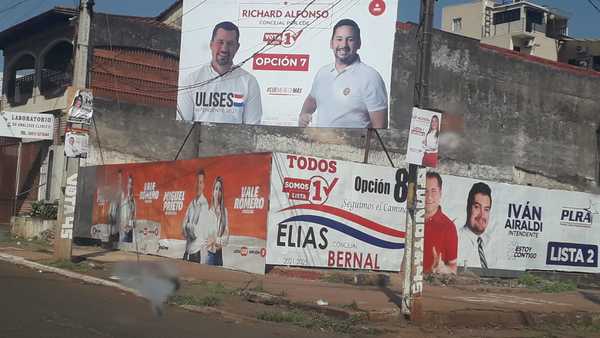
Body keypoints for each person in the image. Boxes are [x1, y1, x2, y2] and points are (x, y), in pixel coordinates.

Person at [298, 19, 388, 128]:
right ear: (331, 43)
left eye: (350, 40)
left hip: (354, 145)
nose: (343, 44)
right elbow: (311, 99)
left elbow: (380, 129)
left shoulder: (371, 77)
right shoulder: (323, 73)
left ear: (359, 43)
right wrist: (304, 115)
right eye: (339, 39)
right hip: (321, 143)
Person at [179, 21, 262, 124]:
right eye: (220, 42)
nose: (224, 49)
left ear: (237, 47)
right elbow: (182, 126)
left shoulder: (249, 82)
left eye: (230, 43)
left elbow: (253, 129)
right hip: (198, 140)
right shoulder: (191, 81)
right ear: (211, 44)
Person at [423, 172, 458, 274]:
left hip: (432, 287)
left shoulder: (448, 227)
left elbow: (453, 269)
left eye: (433, 191)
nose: (429, 196)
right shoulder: (413, 222)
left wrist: (442, 269)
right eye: (425, 191)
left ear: (440, 193)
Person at [181, 169, 215, 263]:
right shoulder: (191, 204)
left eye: (200, 182)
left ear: (203, 185)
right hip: (187, 250)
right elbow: (183, 228)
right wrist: (189, 227)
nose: (198, 185)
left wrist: (188, 226)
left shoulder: (204, 205)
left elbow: (197, 232)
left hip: (197, 252)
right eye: (197, 182)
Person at [458, 182, 493, 270]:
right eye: (477, 207)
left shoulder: (492, 242)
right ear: (468, 208)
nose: (482, 215)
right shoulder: (456, 240)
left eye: (486, 209)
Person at [207, 177, 229, 266]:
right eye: (216, 189)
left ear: (221, 193)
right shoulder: (208, 212)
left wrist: (217, 241)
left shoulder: (224, 212)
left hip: (219, 253)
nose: (217, 192)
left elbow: (226, 235)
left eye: (220, 190)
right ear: (213, 192)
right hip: (209, 254)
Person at [119, 174, 136, 243]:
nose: (130, 186)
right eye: (129, 184)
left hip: (130, 231)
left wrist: (131, 225)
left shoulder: (133, 201)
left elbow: (134, 216)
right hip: (123, 231)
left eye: (131, 184)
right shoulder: (123, 200)